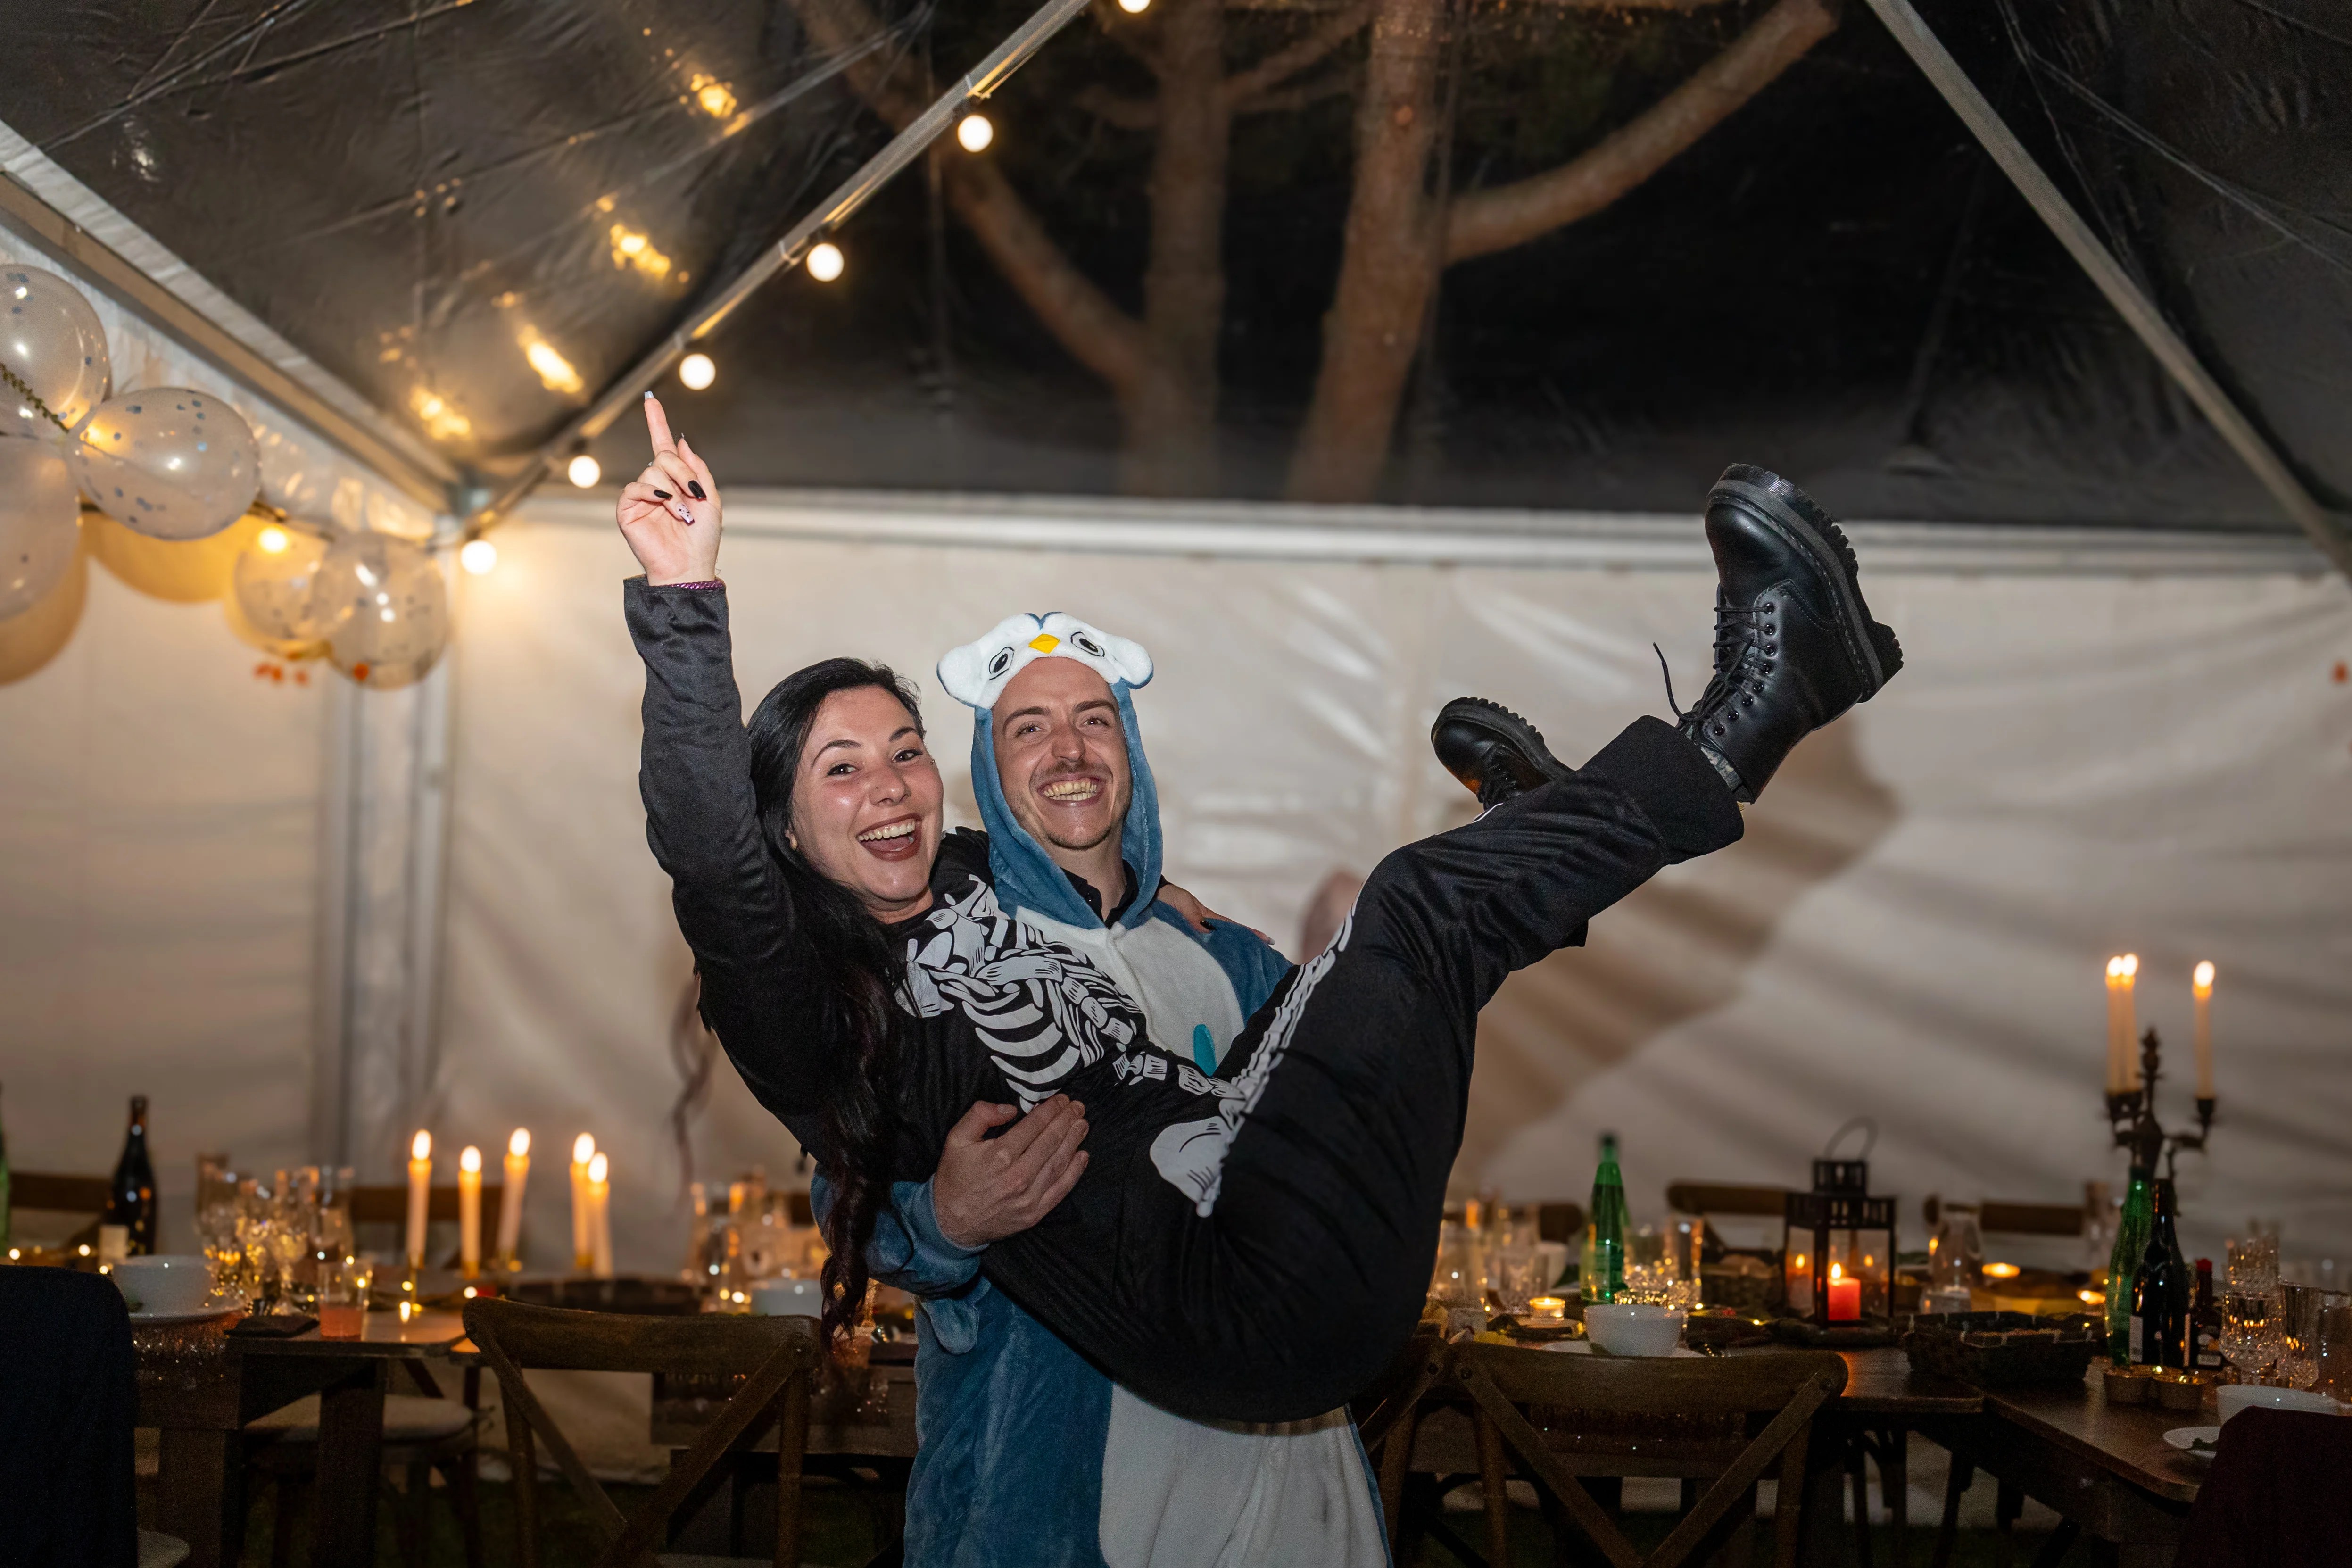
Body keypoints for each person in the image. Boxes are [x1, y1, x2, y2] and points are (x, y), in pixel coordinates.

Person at [621, 393, 1902, 1425]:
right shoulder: (802, 1008)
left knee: (1386, 939)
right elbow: (709, 860)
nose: (889, 782)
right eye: (838, 768)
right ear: (782, 826)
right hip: (1229, 1300)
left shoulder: (982, 882)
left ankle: (1539, 830)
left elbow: (1077, 838)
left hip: (1241, 1170)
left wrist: (1146, 896)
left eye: (904, 748)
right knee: (1413, 901)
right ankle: (1758, 710)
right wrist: (684, 600)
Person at [840, 606, 1382, 1566]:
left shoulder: (1234, 963)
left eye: (1094, 718)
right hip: (1049, 1480)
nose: (1068, 749)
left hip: (1268, 1465)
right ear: (989, 772)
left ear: (1128, 746)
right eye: (1028, 727)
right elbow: (847, 1206)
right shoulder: (940, 967)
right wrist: (946, 1219)